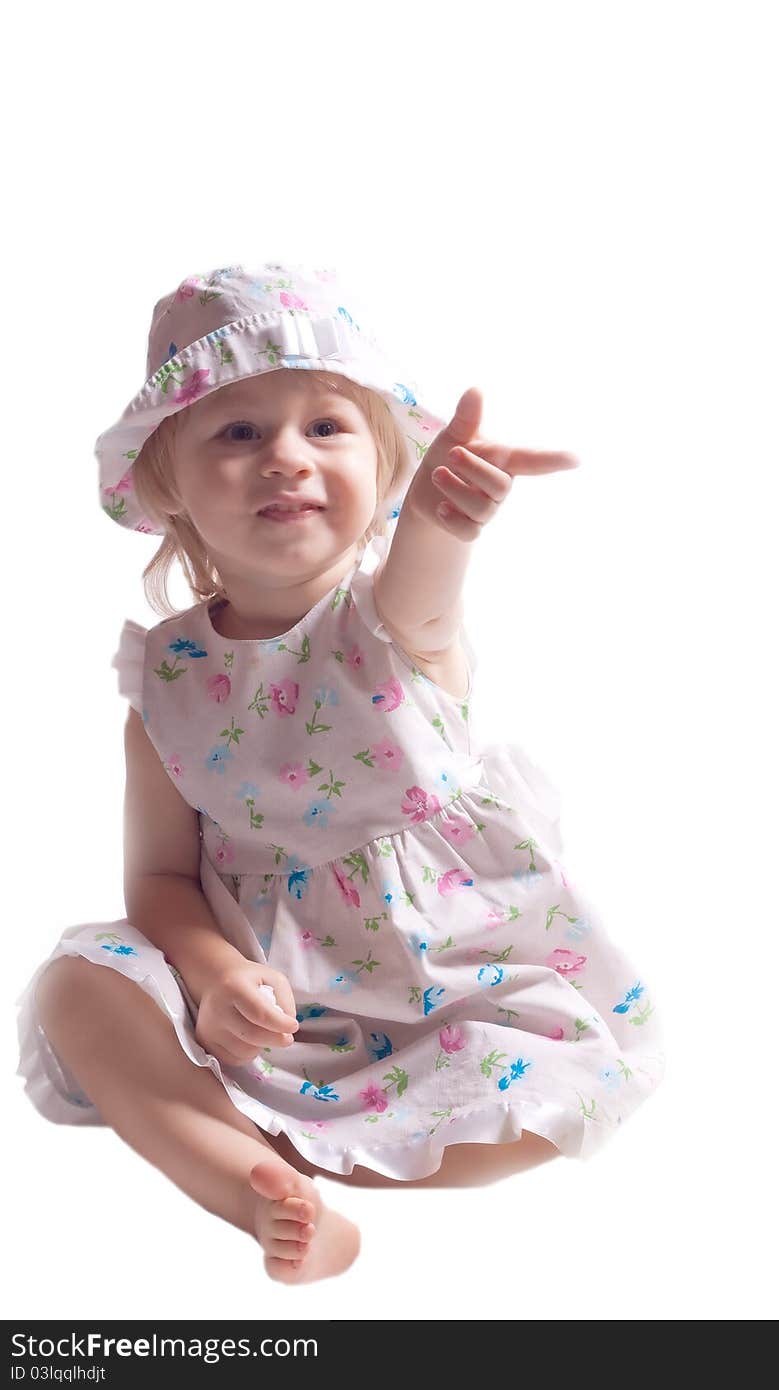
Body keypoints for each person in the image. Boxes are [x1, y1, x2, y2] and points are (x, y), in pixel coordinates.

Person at [16, 261, 666, 1285]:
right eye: (238, 432)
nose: (285, 458)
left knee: (540, 1094)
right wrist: (218, 975)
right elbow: (160, 884)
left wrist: (446, 517)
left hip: (447, 990)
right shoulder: (166, 683)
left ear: (386, 467)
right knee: (74, 984)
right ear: (168, 483)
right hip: (269, 1009)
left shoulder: (391, 626)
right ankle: (252, 1182)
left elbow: (426, 582)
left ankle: (257, 1140)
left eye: (326, 427)